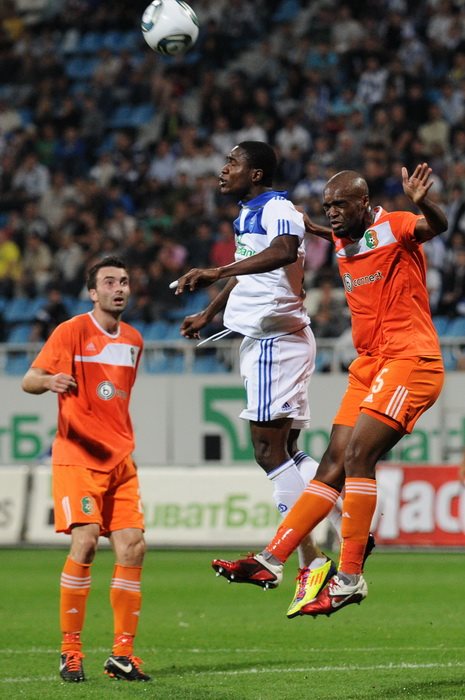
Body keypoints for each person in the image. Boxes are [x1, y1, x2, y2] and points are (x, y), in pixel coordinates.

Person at [211, 163, 447, 617]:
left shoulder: (395, 225)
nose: (333, 213)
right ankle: (272, 558)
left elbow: (435, 226)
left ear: (365, 203)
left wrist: (425, 204)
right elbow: (331, 233)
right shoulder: (341, 239)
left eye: (341, 205)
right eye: (328, 207)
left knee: (358, 456)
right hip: (369, 365)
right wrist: (311, 224)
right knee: (331, 465)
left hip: (410, 361)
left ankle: (350, 577)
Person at [173, 141, 352, 618]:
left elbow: (283, 251)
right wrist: (210, 312)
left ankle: (301, 560)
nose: (223, 169)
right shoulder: (251, 212)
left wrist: (215, 270)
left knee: (267, 452)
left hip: (277, 341)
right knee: (285, 452)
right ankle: (344, 521)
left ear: (255, 174)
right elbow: (248, 272)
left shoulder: (278, 209)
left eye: (232, 162)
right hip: (268, 340)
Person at [21, 256, 150, 683]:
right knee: (88, 541)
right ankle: (71, 651)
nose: (119, 288)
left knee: (133, 547)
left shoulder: (134, 340)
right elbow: (29, 379)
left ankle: (122, 656)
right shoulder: (71, 331)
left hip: (120, 461)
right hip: (77, 457)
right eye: (109, 282)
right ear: (93, 292)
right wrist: (50, 382)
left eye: (124, 281)